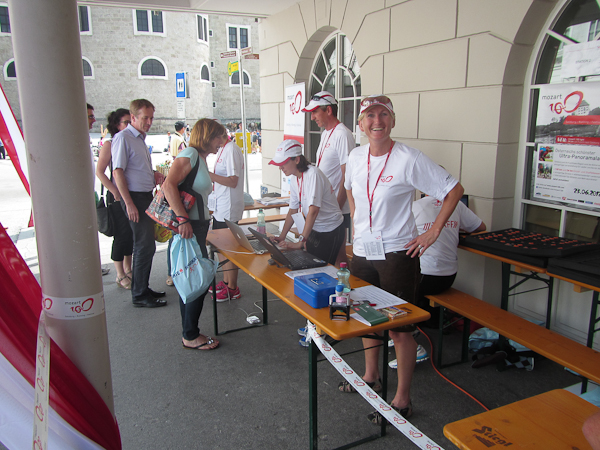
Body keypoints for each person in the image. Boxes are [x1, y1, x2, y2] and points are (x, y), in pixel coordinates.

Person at [343, 95, 464, 423]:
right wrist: (356, 224)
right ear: (361, 124)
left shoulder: (408, 158)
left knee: (400, 329)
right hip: (363, 252)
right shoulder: (355, 156)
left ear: (393, 121)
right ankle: (371, 376)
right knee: (367, 318)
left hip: (398, 254)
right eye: (369, 115)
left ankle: (402, 398)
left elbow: (453, 190)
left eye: (383, 114)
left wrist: (433, 232)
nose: (377, 121)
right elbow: (351, 189)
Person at [162, 119, 226, 350]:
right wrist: (183, 219)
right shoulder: (190, 154)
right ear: (207, 136)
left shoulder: (199, 158)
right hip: (189, 226)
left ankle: (190, 332)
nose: (222, 142)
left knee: (193, 277)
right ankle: (190, 335)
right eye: (219, 137)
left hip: (196, 226)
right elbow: (168, 185)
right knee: (195, 278)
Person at [112, 99, 166, 308]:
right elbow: (118, 172)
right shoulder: (123, 138)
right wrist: (129, 203)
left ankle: (141, 287)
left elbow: (135, 168)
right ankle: (140, 294)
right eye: (145, 118)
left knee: (146, 245)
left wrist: (153, 174)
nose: (149, 122)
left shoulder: (139, 138)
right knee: (144, 245)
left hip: (144, 195)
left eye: (151, 118)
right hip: (134, 197)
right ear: (133, 117)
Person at [413, 194, 486, 327]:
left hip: (424, 277)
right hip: (448, 278)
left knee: (391, 281)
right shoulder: (457, 205)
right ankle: (429, 321)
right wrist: (453, 226)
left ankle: (408, 328)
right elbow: (481, 227)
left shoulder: (416, 206)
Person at [270, 139, 345, 266]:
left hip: (330, 229)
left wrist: (301, 241)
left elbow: (313, 211)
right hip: (314, 228)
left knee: (321, 268)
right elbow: (293, 210)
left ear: (297, 160)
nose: (280, 167)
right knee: (309, 265)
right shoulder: (295, 178)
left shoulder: (313, 174)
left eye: (284, 163)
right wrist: (282, 236)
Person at [302, 91, 354, 263]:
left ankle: (343, 281)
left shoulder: (342, 134)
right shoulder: (326, 133)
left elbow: (347, 176)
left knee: (337, 258)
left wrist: (337, 209)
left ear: (329, 110)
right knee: (331, 257)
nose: (312, 117)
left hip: (336, 209)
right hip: (326, 208)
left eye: (315, 112)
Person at [95, 108, 135, 289]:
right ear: (116, 125)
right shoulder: (110, 144)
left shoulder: (130, 141)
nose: (129, 125)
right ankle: (120, 274)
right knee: (121, 235)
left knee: (130, 234)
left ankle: (128, 269)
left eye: (131, 122)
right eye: (126, 122)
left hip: (130, 193)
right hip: (117, 197)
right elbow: (100, 172)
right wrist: (115, 192)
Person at [209, 136, 245, 301]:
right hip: (220, 206)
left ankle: (233, 287)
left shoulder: (231, 149)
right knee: (221, 246)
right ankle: (226, 281)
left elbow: (233, 181)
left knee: (229, 248)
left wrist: (210, 176)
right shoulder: (223, 149)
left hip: (228, 207)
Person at [87, 103, 110, 277]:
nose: (94, 120)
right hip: (79, 199)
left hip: (89, 194)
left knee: (89, 233)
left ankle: (92, 265)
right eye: (90, 116)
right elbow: (100, 171)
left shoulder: (84, 138)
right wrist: (115, 191)